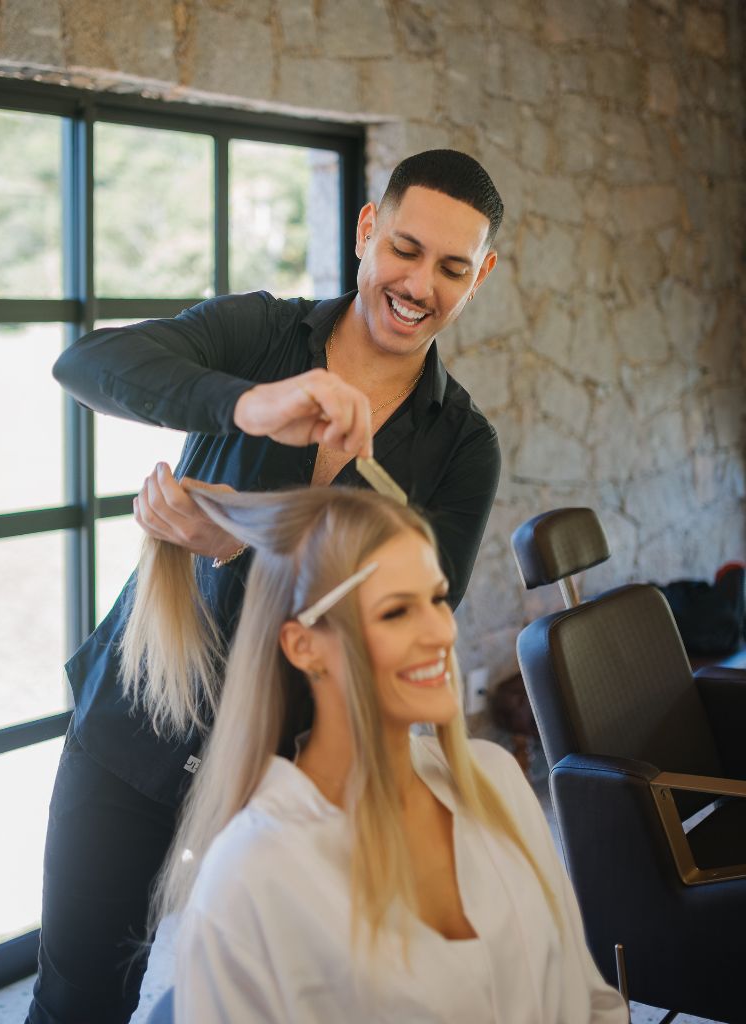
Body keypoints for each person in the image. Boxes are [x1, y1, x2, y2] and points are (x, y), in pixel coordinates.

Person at [31, 149, 504, 1023]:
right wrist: (250, 405)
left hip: (291, 770)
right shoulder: (262, 334)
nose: (418, 283)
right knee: (76, 995)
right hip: (136, 721)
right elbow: (88, 366)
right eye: (404, 248)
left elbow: (407, 614)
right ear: (368, 229)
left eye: (451, 268)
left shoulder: (463, 448)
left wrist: (240, 536)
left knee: (269, 1002)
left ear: (481, 275)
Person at [135, 484, 627, 1022]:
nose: (441, 631)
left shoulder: (497, 783)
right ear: (304, 646)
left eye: (437, 599)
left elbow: (592, 1000)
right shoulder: (254, 874)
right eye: (397, 612)